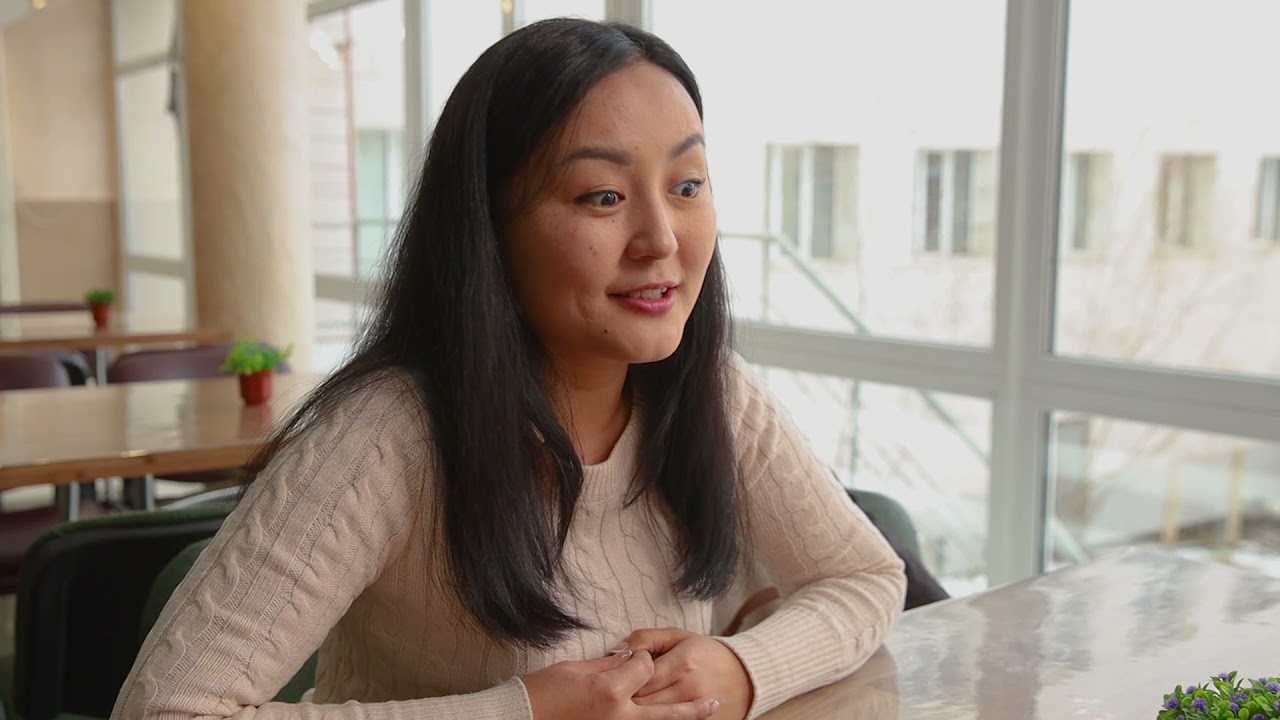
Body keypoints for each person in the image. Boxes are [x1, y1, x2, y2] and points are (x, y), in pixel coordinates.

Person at [113, 18, 905, 720]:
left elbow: (866, 577)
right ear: (488, 230)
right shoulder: (383, 439)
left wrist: (743, 668)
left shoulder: (713, 393)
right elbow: (166, 710)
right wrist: (523, 713)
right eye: (602, 196)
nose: (662, 238)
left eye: (687, 185)